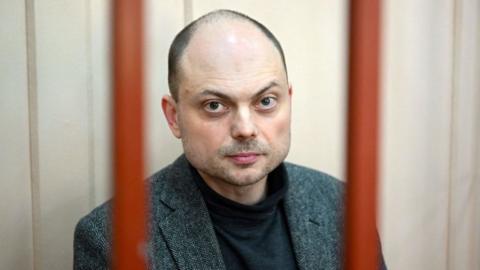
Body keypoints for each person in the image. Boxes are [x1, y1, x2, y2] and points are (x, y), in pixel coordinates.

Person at [74, 9, 387, 270]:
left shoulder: (342, 206)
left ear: (288, 101)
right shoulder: (111, 239)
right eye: (215, 105)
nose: (245, 128)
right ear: (174, 116)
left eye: (265, 101)